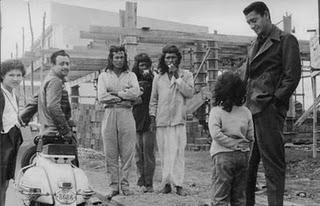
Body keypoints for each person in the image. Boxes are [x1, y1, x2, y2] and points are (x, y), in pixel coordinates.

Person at [243, 2, 301, 206]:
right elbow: (247, 77)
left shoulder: (286, 40)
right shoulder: (253, 44)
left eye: (254, 20)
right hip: (251, 112)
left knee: (272, 167)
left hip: (268, 111)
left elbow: (292, 76)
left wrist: (275, 103)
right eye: (249, 22)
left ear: (266, 15)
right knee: (247, 166)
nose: (252, 25)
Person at [20, 50, 79, 166]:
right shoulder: (55, 81)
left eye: (67, 63)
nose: (66, 67)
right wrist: (66, 131)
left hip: (47, 132)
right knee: (70, 168)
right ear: (53, 65)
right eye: (61, 64)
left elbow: (34, 102)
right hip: (57, 133)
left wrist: (22, 118)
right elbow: (53, 107)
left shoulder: (48, 79)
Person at [149, 45, 194, 196]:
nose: (170, 60)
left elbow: (189, 93)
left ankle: (179, 184)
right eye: (168, 57)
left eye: (173, 57)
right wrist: (152, 117)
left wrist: (178, 78)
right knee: (164, 153)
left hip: (178, 120)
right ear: (164, 59)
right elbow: (153, 100)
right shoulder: (158, 77)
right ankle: (166, 183)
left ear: (178, 59)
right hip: (162, 121)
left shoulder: (186, 75)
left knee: (178, 152)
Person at [97, 45, 140, 199]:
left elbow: (136, 93)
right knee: (110, 152)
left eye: (122, 57)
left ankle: (125, 185)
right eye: (116, 57)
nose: (119, 60)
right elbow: (102, 96)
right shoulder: (104, 76)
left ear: (125, 58)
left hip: (126, 114)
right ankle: (114, 186)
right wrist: (122, 97)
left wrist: (116, 93)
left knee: (128, 152)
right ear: (111, 58)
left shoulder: (131, 75)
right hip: (109, 113)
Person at [208, 71, 254, 206]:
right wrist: (243, 148)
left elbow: (215, 134)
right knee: (239, 197)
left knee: (220, 196)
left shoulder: (216, 111)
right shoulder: (246, 112)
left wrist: (231, 144)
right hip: (242, 156)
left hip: (222, 156)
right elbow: (251, 136)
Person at [0, 59, 25, 206]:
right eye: (11, 75)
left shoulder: (14, 95)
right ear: (2, 75)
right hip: (2, 141)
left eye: (19, 75)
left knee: (5, 182)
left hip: (11, 141)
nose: (16, 79)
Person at [132, 53, 156, 193]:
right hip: (136, 118)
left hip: (149, 119)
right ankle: (140, 181)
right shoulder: (132, 80)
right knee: (138, 153)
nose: (144, 68)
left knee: (148, 153)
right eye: (141, 66)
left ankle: (149, 183)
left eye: (146, 66)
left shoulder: (154, 79)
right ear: (137, 66)